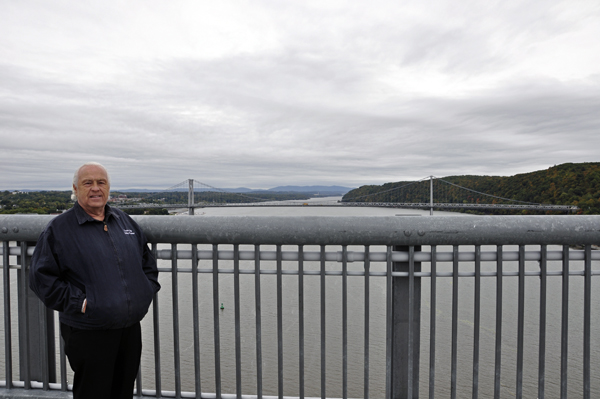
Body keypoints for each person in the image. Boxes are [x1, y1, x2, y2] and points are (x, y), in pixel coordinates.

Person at [29, 162, 161, 399]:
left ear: (108, 188)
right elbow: (41, 279)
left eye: (101, 182)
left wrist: (144, 293)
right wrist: (82, 304)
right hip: (88, 329)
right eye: (87, 183)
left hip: (129, 328)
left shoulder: (125, 222)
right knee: (93, 393)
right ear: (75, 188)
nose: (95, 188)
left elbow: (148, 265)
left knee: (122, 392)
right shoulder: (59, 229)